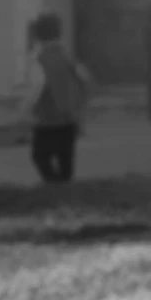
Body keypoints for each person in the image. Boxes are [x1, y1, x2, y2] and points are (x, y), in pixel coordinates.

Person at [24, 11, 91, 184]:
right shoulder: (67, 56)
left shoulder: (39, 59)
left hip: (48, 118)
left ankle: (53, 187)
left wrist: (27, 109)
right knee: (65, 159)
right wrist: (80, 109)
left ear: (38, 35)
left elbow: (37, 86)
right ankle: (64, 189)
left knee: (40, 155)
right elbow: (84, 79)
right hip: (69, 119)